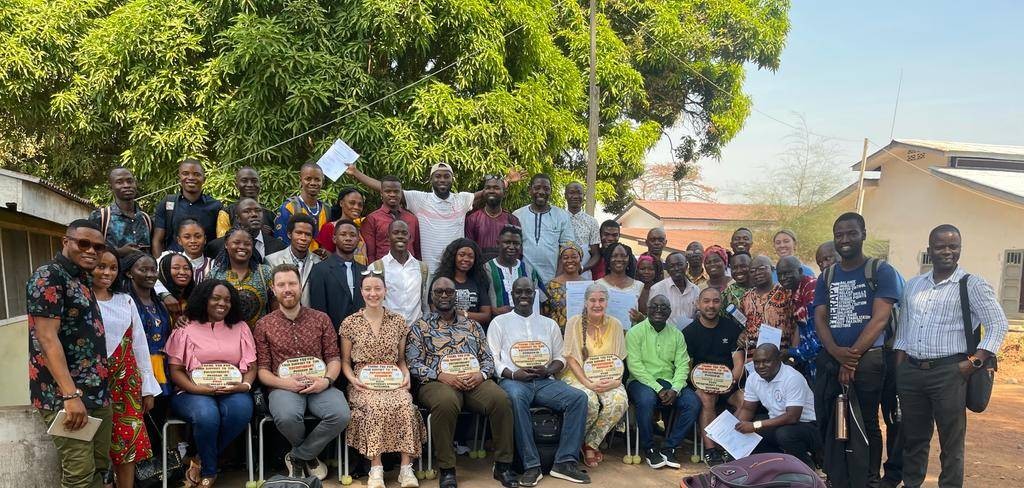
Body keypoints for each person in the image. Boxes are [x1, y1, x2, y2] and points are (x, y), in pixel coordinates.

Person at [894, 224, 1008, 488]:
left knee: (951, 443)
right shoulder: (913, 286)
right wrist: (901, 371)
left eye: (953, 247)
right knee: (914, 439)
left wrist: (974, 363)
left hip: (950, 372)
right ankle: (912, 483)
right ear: (929, 250)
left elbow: (998, 324)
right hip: (911, 371)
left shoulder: (972, 284)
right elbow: (903, 332)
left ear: (959, 249)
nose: (947, 251)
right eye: (940, 246)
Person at [813, 212, 901, 488]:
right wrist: (836, 352)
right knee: (833, 421)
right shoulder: (827, 276)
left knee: (866, 421)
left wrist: (850, 361)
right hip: (833, 358)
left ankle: (869, 479)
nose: (845, 239)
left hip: (869, 361)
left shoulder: (880, 271)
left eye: (851, 233)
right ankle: (839, 476)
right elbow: (820, 318)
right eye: (839, 235)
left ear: (864, 233)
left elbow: (880, 319)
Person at [406, 277, 519, 488]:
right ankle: (447, 469)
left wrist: (481, 375)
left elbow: (487, 358)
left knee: (501, 399)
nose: (444, 295)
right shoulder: (420, 327)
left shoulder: (472, 326)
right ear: (432, 296)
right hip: (436, 382)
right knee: (446, 403)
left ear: (456, 296)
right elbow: (413, 362)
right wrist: (440, 375)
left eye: (449, 292)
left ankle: (503, 466)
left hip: (474, 380)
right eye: (439, 292)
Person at [27, 219, 114, 488]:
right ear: (66, 242)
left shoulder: (82, 279)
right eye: (83, 243)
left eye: (98, 247)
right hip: (65, 396)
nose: (91, 251)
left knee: (100, 466)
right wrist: (70, 394)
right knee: (79, 474)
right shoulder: (48, 276)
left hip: (97, 392)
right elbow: (46, 337)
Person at [488, 278, 591, 486]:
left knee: (578, 398)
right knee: (515, 399)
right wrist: (514, 375)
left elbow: (561, 357)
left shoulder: (549, 324)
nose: (524, 296)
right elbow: (493, 359)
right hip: (514, 382)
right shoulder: (499, 322)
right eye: (519, 292)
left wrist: (548, 370)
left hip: (545, 381)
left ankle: (565, 461)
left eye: (528, 292)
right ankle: (531, 465)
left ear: (534, 295)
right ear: (512, 294)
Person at [255, 264, 351, 481]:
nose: (287, 289)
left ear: (300, 286)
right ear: (273, 288)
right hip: (283, 388)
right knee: (287, 416)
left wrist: (326, 381)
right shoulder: (263, 325)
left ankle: (299, 456)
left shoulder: (321, 319)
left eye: (292, 283)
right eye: (281, 285)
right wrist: (286, 384)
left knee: (340, 414)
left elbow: (334, 358)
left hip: (319, 385)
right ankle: (310, 457)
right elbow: (262, 371)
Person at [347, 163, 520, 274]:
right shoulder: (420, 199)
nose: (442, 179)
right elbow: (387, 188)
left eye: (446, 176)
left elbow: (488, 191)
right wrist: (356, 173)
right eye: (438, 176)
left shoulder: (462, 199)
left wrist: (505, 181)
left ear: (452, 179)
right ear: (431, 179)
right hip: (427, 270)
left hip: (455, 269)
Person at [166, 279, 257, 487]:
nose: (222, 303)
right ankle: (210, 469)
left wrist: (244, 386)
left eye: (227, 300)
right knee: (207, 416)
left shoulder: (240, 327)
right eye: (215, 298)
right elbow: (176, 370)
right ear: (203, 300)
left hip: (232, 389)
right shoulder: (186, 326)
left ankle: (197, 458)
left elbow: (251, 366)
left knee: (241, 411)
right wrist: (197, 389)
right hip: (191, 391)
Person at [340, 272, 426, 488]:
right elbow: (345, 362)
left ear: (385, 291)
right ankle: (376, 468)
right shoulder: (350, 323)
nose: (373, 293)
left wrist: (406, 374)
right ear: (361, 292)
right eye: (368, 289)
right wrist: (353, 380)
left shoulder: (397, 321)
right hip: (363, 381)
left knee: (405, 405)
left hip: (391, 379)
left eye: (377, 288)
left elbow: (401, 360)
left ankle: (406, 469)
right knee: (374, 406)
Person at [93, 249, 161, 488]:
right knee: (94, 445)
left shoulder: (125, 300)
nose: (107, 272)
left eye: (112, 268)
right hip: (93, 383)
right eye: (101, 266)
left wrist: (148, 388)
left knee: (127, 444)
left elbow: (140, 345)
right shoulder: (80, 298)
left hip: (127, 384)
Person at [626, 294, 701, 470]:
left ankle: (670, 447)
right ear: (647, 309)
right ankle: (650, 448)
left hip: (669, 381)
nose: (659, 310)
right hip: (640, 381)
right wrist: (659, 389)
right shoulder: (634, 333)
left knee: (692, 403)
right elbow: (635, 366)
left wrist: (675, 389)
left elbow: (683, 365)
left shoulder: (676, 334)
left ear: (670, 311)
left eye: (664, 307)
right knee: (646, 400)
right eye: (655, 306)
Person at [561, 283, 628, 468]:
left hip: (608, 376)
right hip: (577, 376)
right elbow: (571, 359)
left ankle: (590, 443)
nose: (597, 304)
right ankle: (574, 443)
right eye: (592, 300)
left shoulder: (616, 325)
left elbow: (619, 360)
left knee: (619, 400)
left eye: (601, 300)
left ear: (607, 302)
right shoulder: (574, 322)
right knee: (588, 400)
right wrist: (588, 383)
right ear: (585, 302)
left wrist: (616, 381)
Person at [682, 288, 744, 465]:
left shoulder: (732, 328)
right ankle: (711, 451)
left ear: (721, 304)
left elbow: (738, 362)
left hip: (729, 383)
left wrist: (729, 382)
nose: (711, 305)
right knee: (707, 399)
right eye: (706, 301)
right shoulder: (689, 332)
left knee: (746, 399)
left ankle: (727, 445)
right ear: (698, 304)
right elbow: (687, 367)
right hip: (702, 385)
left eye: (715, 301)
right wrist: (701, 384)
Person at [734, 344, 820, 468]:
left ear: (778, 359)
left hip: (807, 425)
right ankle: (776, 465)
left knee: (784, 434)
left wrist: (754, 425)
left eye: (766, 361)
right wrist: (735, 431)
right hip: (778, 423)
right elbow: (747, 409)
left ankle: (806, 466)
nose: (761, 366)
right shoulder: (753, 378)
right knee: (750, 433)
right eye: (757, 362)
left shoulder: (792, 378)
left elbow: (792, 417)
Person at [123, 252, 173, 398]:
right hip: (137, 368)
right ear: (129, 273)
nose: (150, 274)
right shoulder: (125, 302)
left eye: (153, 270)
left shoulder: (160, 304)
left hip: (161, 368)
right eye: (143, 270)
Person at [151, 159, 223, 256]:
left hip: (205, 266)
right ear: (179, 178)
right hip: (174, 266)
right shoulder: (168, 203)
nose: (191, 178)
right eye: (185, 173)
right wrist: (160, 265)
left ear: (204, 179)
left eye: (197, 174)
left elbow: (220, 242)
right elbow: (157, 241)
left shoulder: (215, 206)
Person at [513, 174, 576, 286]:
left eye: (546, 189)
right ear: (529, 190)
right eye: (537, 188)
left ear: (551, 191)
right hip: (522, 281)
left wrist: (557, 279)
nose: (541, 192)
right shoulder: (517, 215)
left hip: (553, 280)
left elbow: (567, 249)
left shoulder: (561, 216)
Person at [209, 228, 276, 326]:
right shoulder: (214, 275)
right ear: (226, 245)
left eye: (247, 244)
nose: (242, 247)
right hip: (225, 336)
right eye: (236, 242)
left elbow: (276, 308)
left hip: (259, 337)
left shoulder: (266, 273)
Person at [368, 220, 429, 325]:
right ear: (388, 237)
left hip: (416, 331)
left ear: (409, 237)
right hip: (388, 332)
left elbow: (425, 304)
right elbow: (371, 304)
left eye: (404, 233)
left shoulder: (422, 268)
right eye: (395, 233)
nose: (400, 236)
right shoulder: (376, 268)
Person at [308, 219, 366, 330]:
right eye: (343, 234)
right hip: (333, 338)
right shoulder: (320, 270)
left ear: (358, 240)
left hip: (361, 338)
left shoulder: (364, 271)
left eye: (353, 235)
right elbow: (318, 311)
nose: (348, 238)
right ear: (334, 239)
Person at [737, 255, 798, 355]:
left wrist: (792, 354)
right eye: (752, 271)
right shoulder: (745, 297)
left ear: (772, 269)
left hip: (781, 354)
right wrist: (742, 336)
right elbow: (745, 325)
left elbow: (797, 326)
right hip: (753, 358)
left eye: (761, 268)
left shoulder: (787, 293)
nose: (757, 273)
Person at [155, 219, 214, 317]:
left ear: (205, 239)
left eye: (198, 236)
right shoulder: (167, 257)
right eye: (187, 237)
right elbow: (151, 277)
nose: (193, 241)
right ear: (179, 240)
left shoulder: (213, 265)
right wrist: (165, 294)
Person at [89, 167, 152, 257]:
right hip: (112, 270)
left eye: (130, 181)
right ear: (111, 187)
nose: (126, 185)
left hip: (144, 270)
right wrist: (118, 252)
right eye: (119, 182)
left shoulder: (146, 219)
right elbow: (90, 249)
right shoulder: (101, 217)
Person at [777, 256, 821, 382]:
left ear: (800, 271)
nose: (783, 278)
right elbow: (801, 328)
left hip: (822, 357)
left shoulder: (811, 288)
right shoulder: (795, 292)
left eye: (787, 273)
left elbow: (817, 340)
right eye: (780, 275)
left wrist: (790, 352)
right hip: (810, 360)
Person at [359, 175, 421, 262]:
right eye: (388, 191)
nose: (392, 194)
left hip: (410, 270)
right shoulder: (371, 219)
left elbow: (417, 251)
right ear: (381, 193)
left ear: (401, 193)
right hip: (383, 270)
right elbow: (370, 254)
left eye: (396, 191)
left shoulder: (412, 219)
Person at [433, 238, 494, 327]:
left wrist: (460, 313)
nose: (466, 259)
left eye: (470, 256)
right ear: (453, 256)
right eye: (461, 255)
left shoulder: (479, 281)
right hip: (444, 332)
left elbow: (486, 315)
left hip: (473, 332)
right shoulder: (440, 281)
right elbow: (435, 311)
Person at [264, 214, 322, 307]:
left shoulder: (318, 262)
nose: (303, 238)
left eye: (308, 234)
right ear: (289, 234)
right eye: (299, 233)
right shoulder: (272, 261)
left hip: (311, 318)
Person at [206, 198, 286, 263]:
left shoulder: (279, 247)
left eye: (258, 210)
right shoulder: (216, 247)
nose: (254, 214)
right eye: (247, 211)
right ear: (238, 218)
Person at [465, 176, 521, 262]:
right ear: (483, 192)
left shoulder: (512, 220)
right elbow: (469, 250)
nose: (491, 191)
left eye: (496, 188)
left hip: (506, 271)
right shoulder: (472, 219)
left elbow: (518, 252)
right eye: (488, 188)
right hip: (480, 271)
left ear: (504, 193)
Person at [485, 225, 539, 315]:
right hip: (496, 322)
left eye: (516, 243)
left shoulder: (529, 270)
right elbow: (480, 301)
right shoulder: (486, 268)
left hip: (526, 322)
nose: (511, 247)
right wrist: (494, 310)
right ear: (498, 243)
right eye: (507, 242)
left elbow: (537, 299)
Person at [275, 163, 330, 249]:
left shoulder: (327, 209)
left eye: (317, 179)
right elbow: (281, 242)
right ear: (300, 180)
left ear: (322, 181)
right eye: (308, 179)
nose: (313, 183)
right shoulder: (289, 207)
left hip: (322, 261)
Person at [216, 167, 275, 238]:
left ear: (260, 184)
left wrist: (270, 234)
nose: (250, 184)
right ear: (236, 185)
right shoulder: (227, 213)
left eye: (254, 181)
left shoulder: (270, 214)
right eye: (244, 181)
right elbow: (222, 241)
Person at [316, 187, 369, 264]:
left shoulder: (360, 228)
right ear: (341, 203)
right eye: (352, 203)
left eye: (360, 204)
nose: (356, 207)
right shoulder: (330, 227)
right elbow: (325, 259)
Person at [648, 252, 699, 330]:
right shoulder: (657, 289)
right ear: (667, 269)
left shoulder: (695, 290)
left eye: (680, 264)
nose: (676, 268)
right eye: (672, 266)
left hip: (689, 336)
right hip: (665, 337)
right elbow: (651, 316)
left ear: (686, 266)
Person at [542, 242, 586, 330]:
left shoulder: (588, 286)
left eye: (574, 257)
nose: (570, 260)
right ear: (561, 260)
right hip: (557, 335)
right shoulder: (551, 286)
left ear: (580, 258)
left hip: (581, 335)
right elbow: (544, 314)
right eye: (565, 258)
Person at [564, 182, 602, 276]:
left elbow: (596, 254)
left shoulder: (592, 222)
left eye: (579, 193)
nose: (576, 196)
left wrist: (582, 268)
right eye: (572, 192)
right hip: (561, 273)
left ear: (583, 196)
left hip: (583, 274)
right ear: (565, 195)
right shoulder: (558, 218)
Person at [156, 252, 195, 325]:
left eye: (186, 268)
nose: (183, 272)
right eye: (176, 268)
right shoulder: (156, 300)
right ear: (165, 271)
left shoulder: (195, 298)